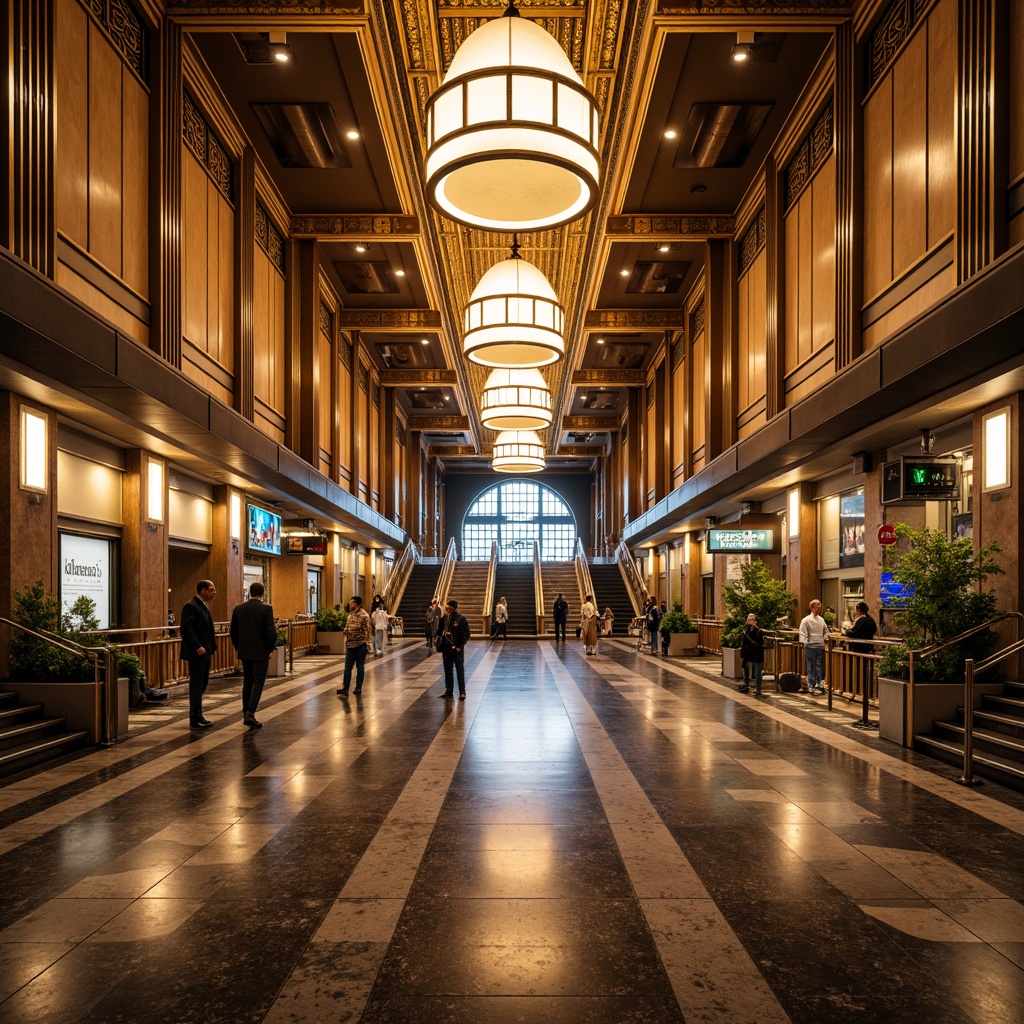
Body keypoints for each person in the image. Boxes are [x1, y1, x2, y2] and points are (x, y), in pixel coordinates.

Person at [229, 581, 276, 729]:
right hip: (261, 652)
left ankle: (245, 712)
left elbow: (233, 632)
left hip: (245, 651)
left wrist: (238, 647)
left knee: (247, 681)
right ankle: (250, 712)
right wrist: (270, 649)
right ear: (263, 593)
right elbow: (271, 632)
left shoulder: (239, 608)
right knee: (258, 681)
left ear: (250, 592)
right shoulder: (266, 609)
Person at [180, 579, 218, 729]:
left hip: (205, 652)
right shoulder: (190, 606)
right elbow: (186, 629)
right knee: (196, 685)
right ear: (203, 590)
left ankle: (199, 714)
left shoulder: (203, 606)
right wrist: (198, 647)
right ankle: (194, 718)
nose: (214, 592)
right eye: (211, 589)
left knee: (202, 684)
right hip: (197, 653)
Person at [336, 596, 372, 697]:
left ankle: (358, 687)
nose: (350, 605)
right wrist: (346, 630)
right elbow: (348, 626)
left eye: (352, 603)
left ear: (357, 604)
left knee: (360, 667)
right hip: (350, 645)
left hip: (360, 645)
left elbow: (367, 631)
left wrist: (355, 636)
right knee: (347, 668)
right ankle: (345, 688)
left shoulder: (364, 615)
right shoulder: (350, 614)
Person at [437, 598, 471, 700]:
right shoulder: (444, 618)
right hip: (446, 648)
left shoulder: (461, 619)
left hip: (457, 648)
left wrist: (460, 646)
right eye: (448, 606)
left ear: (455, 608)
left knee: (459, 669)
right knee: (447, 669)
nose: (448, 608)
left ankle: (462, 691)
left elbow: (466, 634)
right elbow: (439, 632)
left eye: (451, 607)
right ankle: (449, 691)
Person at [798, 599, 829, 695]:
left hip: (820, 645)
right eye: (815, 606)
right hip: (810, 646)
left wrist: (825, 638)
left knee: (819, 666)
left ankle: (818, 684)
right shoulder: (806, 620)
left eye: (819, 606)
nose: (818, 608)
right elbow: (802, 633)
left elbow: (826, 631)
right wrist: (804, 643)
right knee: (811, 666)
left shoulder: (821, 619)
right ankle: (811, 685)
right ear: (811, 607)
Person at [737, 613, 765, 696]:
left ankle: (758, 689)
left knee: (757, 673)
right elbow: (743, 644)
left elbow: (760, 641)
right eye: (750, 620)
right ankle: (746, 685)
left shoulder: (759, 631)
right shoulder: (746, 631)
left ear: (756, 621)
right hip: (748, 654)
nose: (751, 622)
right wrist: (743, 655)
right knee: (745, 669)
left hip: (757, 654)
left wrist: (756, 629)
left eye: (753, 620)